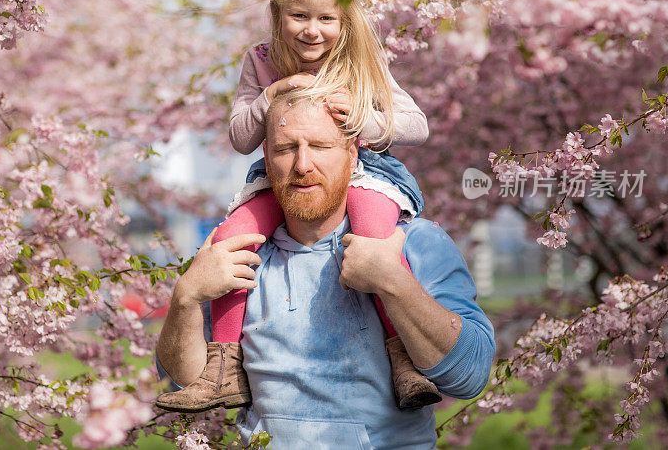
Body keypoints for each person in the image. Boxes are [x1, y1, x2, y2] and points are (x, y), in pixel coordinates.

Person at [156, 0, 436, 413]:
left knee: (372, 240)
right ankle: (223, 366)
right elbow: (241, 137)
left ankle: (402, 356)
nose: (313, 29)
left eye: (327, 17)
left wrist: (366, 119)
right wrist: (269, 97)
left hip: (366, 172)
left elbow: (417, 125)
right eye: (299, 15)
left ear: (344, 21)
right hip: (280, 174)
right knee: (229, 241)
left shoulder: (360, 58)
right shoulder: (262, 59)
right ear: (277, 15)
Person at [155, 92, 496, 449]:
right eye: (286, 149)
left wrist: (393, 282)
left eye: (319, 145)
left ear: (352, 155)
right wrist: (185, 296)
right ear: (267, 161)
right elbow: (183, 380)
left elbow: (469, 378)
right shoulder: (238, 255)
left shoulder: (414, 243)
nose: (303, 164)